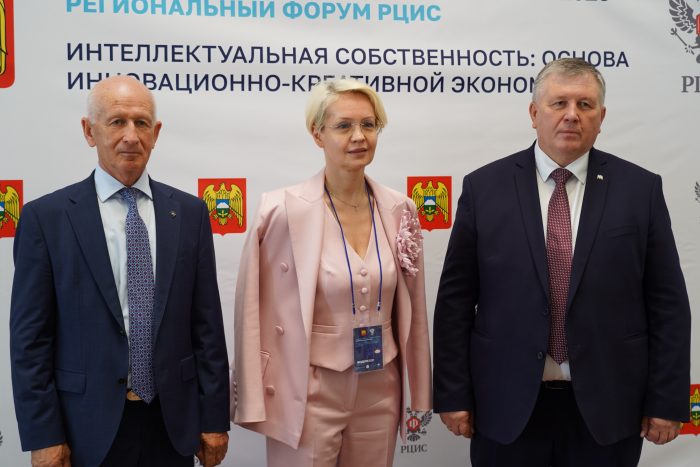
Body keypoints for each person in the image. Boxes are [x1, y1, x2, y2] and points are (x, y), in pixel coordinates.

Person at [433, 58, 691, 467]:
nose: (572, 115)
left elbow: (667, 304)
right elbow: (455, 304)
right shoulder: (484, 188)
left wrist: (666, 399)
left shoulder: (640, 190)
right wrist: (452, 393)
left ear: (601, 117)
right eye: (559, 103)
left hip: (609, 408)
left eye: (585, 105)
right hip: (506, 404)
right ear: (534, 113)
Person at [10, 76, 230, 467]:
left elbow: (207, 327)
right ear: (89, 131)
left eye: (141, 123)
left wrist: (213, 418)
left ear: (155, 133)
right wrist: (44, 434)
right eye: (117, 122)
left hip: (172, 424)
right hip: (85, 428)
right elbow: (30, 340)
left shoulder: (190, 214)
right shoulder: (47, 219)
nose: (131, 136)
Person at [231, 78, 432, 467]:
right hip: (308, 390)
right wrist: (251, 397)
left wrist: (420, 391)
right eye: (343, 126)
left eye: (368, 125)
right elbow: (250, 311)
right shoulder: (279, 210)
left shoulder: (400, 209)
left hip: (380, 389)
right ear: (317, 133)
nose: (359, 136)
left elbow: (416, 314)